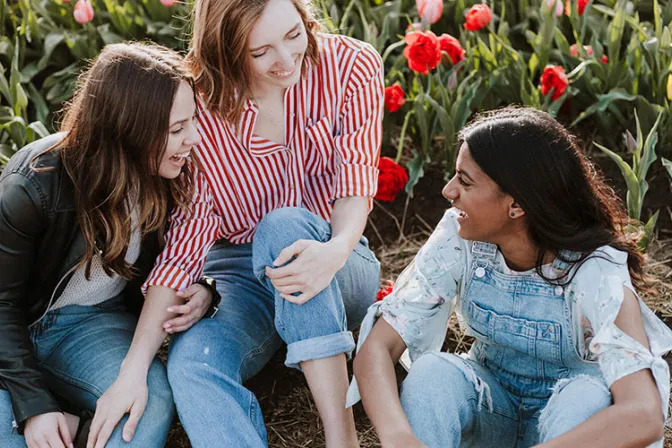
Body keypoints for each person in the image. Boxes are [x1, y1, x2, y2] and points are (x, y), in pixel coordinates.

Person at [87, 0, 384, 446]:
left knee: (284, 228)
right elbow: (185, 246)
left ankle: (342, 438)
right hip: (244, 274)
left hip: (336, 258)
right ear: (225, 51)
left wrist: (335, 250)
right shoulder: (199, 108)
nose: (285, 61)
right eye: (260, 51)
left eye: (293, 35)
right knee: (193, 364)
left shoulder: (351, 65)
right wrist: (134, 368)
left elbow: (355, 181)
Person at [350, 107, 672, 448]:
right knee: (432, 374)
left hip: (570, 432)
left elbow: (643, 413)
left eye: (465, 181)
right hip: (492, 410)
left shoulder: (596, 270)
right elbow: (376, 349)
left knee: (585, 396)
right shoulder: (459, 239)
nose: (448, 190)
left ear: (516, 205)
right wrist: (400, 438)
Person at [0, 42, 218, 448]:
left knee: (146, 405)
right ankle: (68, 420)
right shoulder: (33, 186)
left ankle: (77, 426)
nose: (194, 138)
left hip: (90, 324)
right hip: (10, 329)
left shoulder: (173, 175)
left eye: (191, 121)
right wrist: (33, 406)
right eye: (176, 129)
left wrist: (204, 287)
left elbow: (182, 252)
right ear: (126, 131)